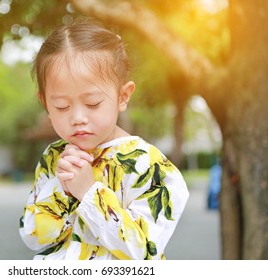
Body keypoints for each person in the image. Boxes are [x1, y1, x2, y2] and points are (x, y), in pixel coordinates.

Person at [19, 18, 189, 260]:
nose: (78, 117)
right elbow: (33, 237)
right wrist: (63, 190)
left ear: (122, 96)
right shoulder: (54, 157)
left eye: (92, 103)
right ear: (45, 103)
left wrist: (89, 193)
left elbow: (144, 252)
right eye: (62, 106)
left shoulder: (150, 165)